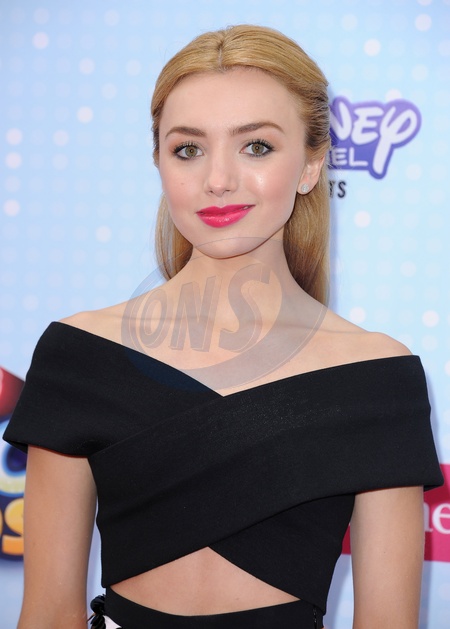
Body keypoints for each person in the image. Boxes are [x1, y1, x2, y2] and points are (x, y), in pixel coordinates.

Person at [4, 24, 443, 629]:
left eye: (256, 146)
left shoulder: (377, 377)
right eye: (188, 149)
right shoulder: (78, 354)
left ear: (311, 164)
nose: (218, 179)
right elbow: (49, 615)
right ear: (159, 163)